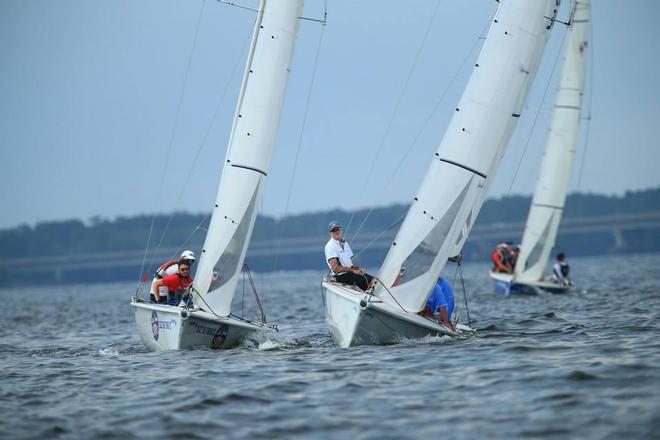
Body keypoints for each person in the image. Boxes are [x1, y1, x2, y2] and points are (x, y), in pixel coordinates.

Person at [324, 221, 374, 291]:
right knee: (372, 281)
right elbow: (335, 268)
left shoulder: (345, 243)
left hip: (350, 274)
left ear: (341, 230)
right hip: (341, 276)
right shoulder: (330, 246)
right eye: (333, 230)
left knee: (374, 280)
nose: (336, 232)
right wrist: (353, 270)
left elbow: (350, 261)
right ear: (330, 233)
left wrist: (357, 269)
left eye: (338, 229)